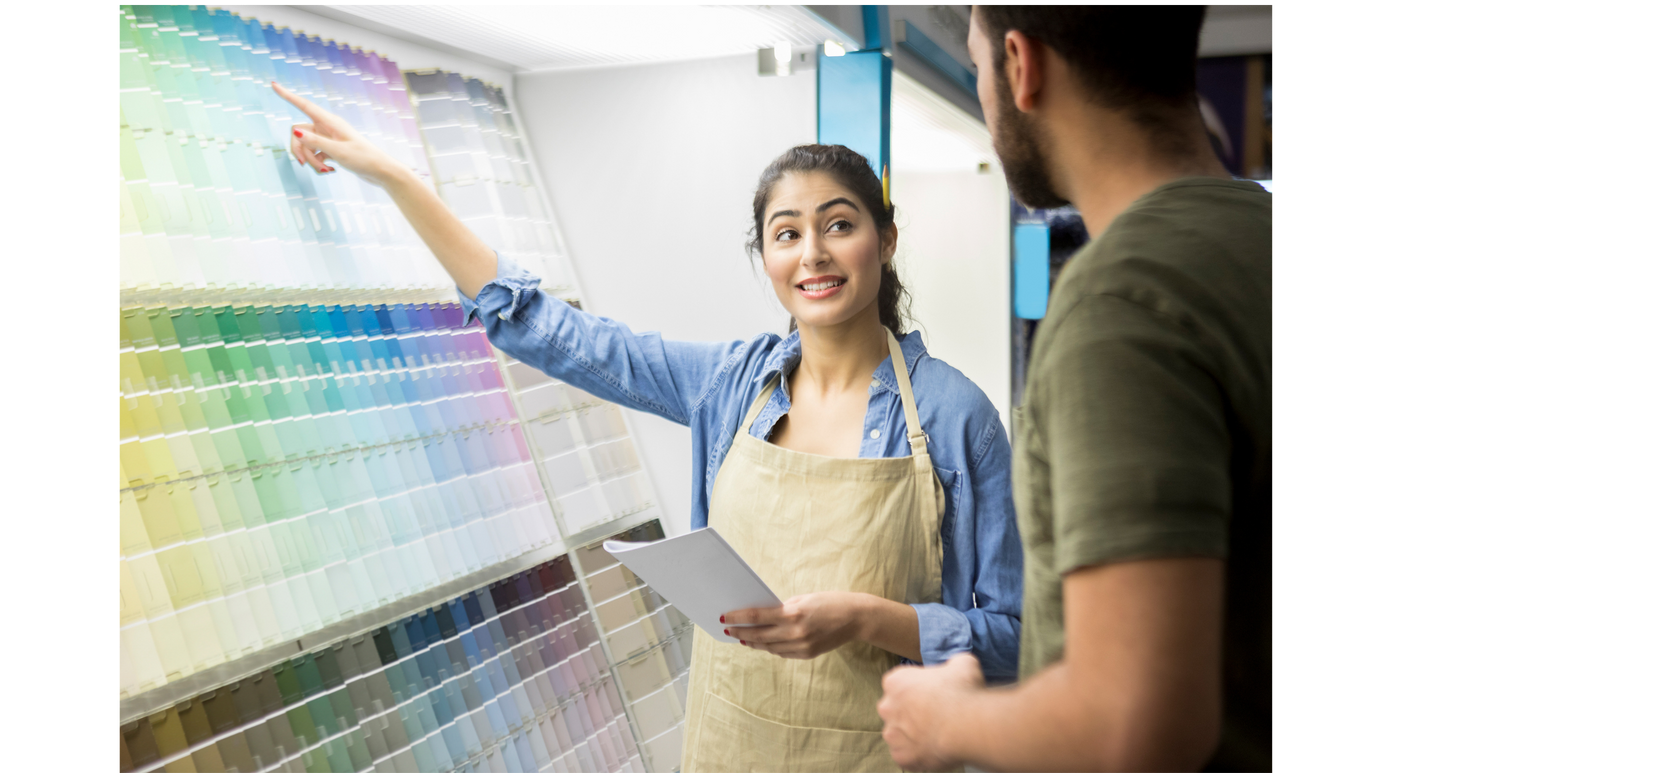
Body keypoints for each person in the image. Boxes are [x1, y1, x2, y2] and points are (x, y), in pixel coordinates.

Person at [268, 80, 1024, 772]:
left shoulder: (957, 418)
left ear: (884, 241)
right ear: (763, 254)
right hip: (729, 744)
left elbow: (1015, 640)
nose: (813, 253)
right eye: (786, 232)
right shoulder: (728, 385)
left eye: (839, 224)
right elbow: (550, 330)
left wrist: (869, 618)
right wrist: (396, 178)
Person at [876, 5, 1273, 773]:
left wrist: (948, 720)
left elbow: (1134, 723)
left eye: (979, 65)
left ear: (1021, 66)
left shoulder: (1123, 304)